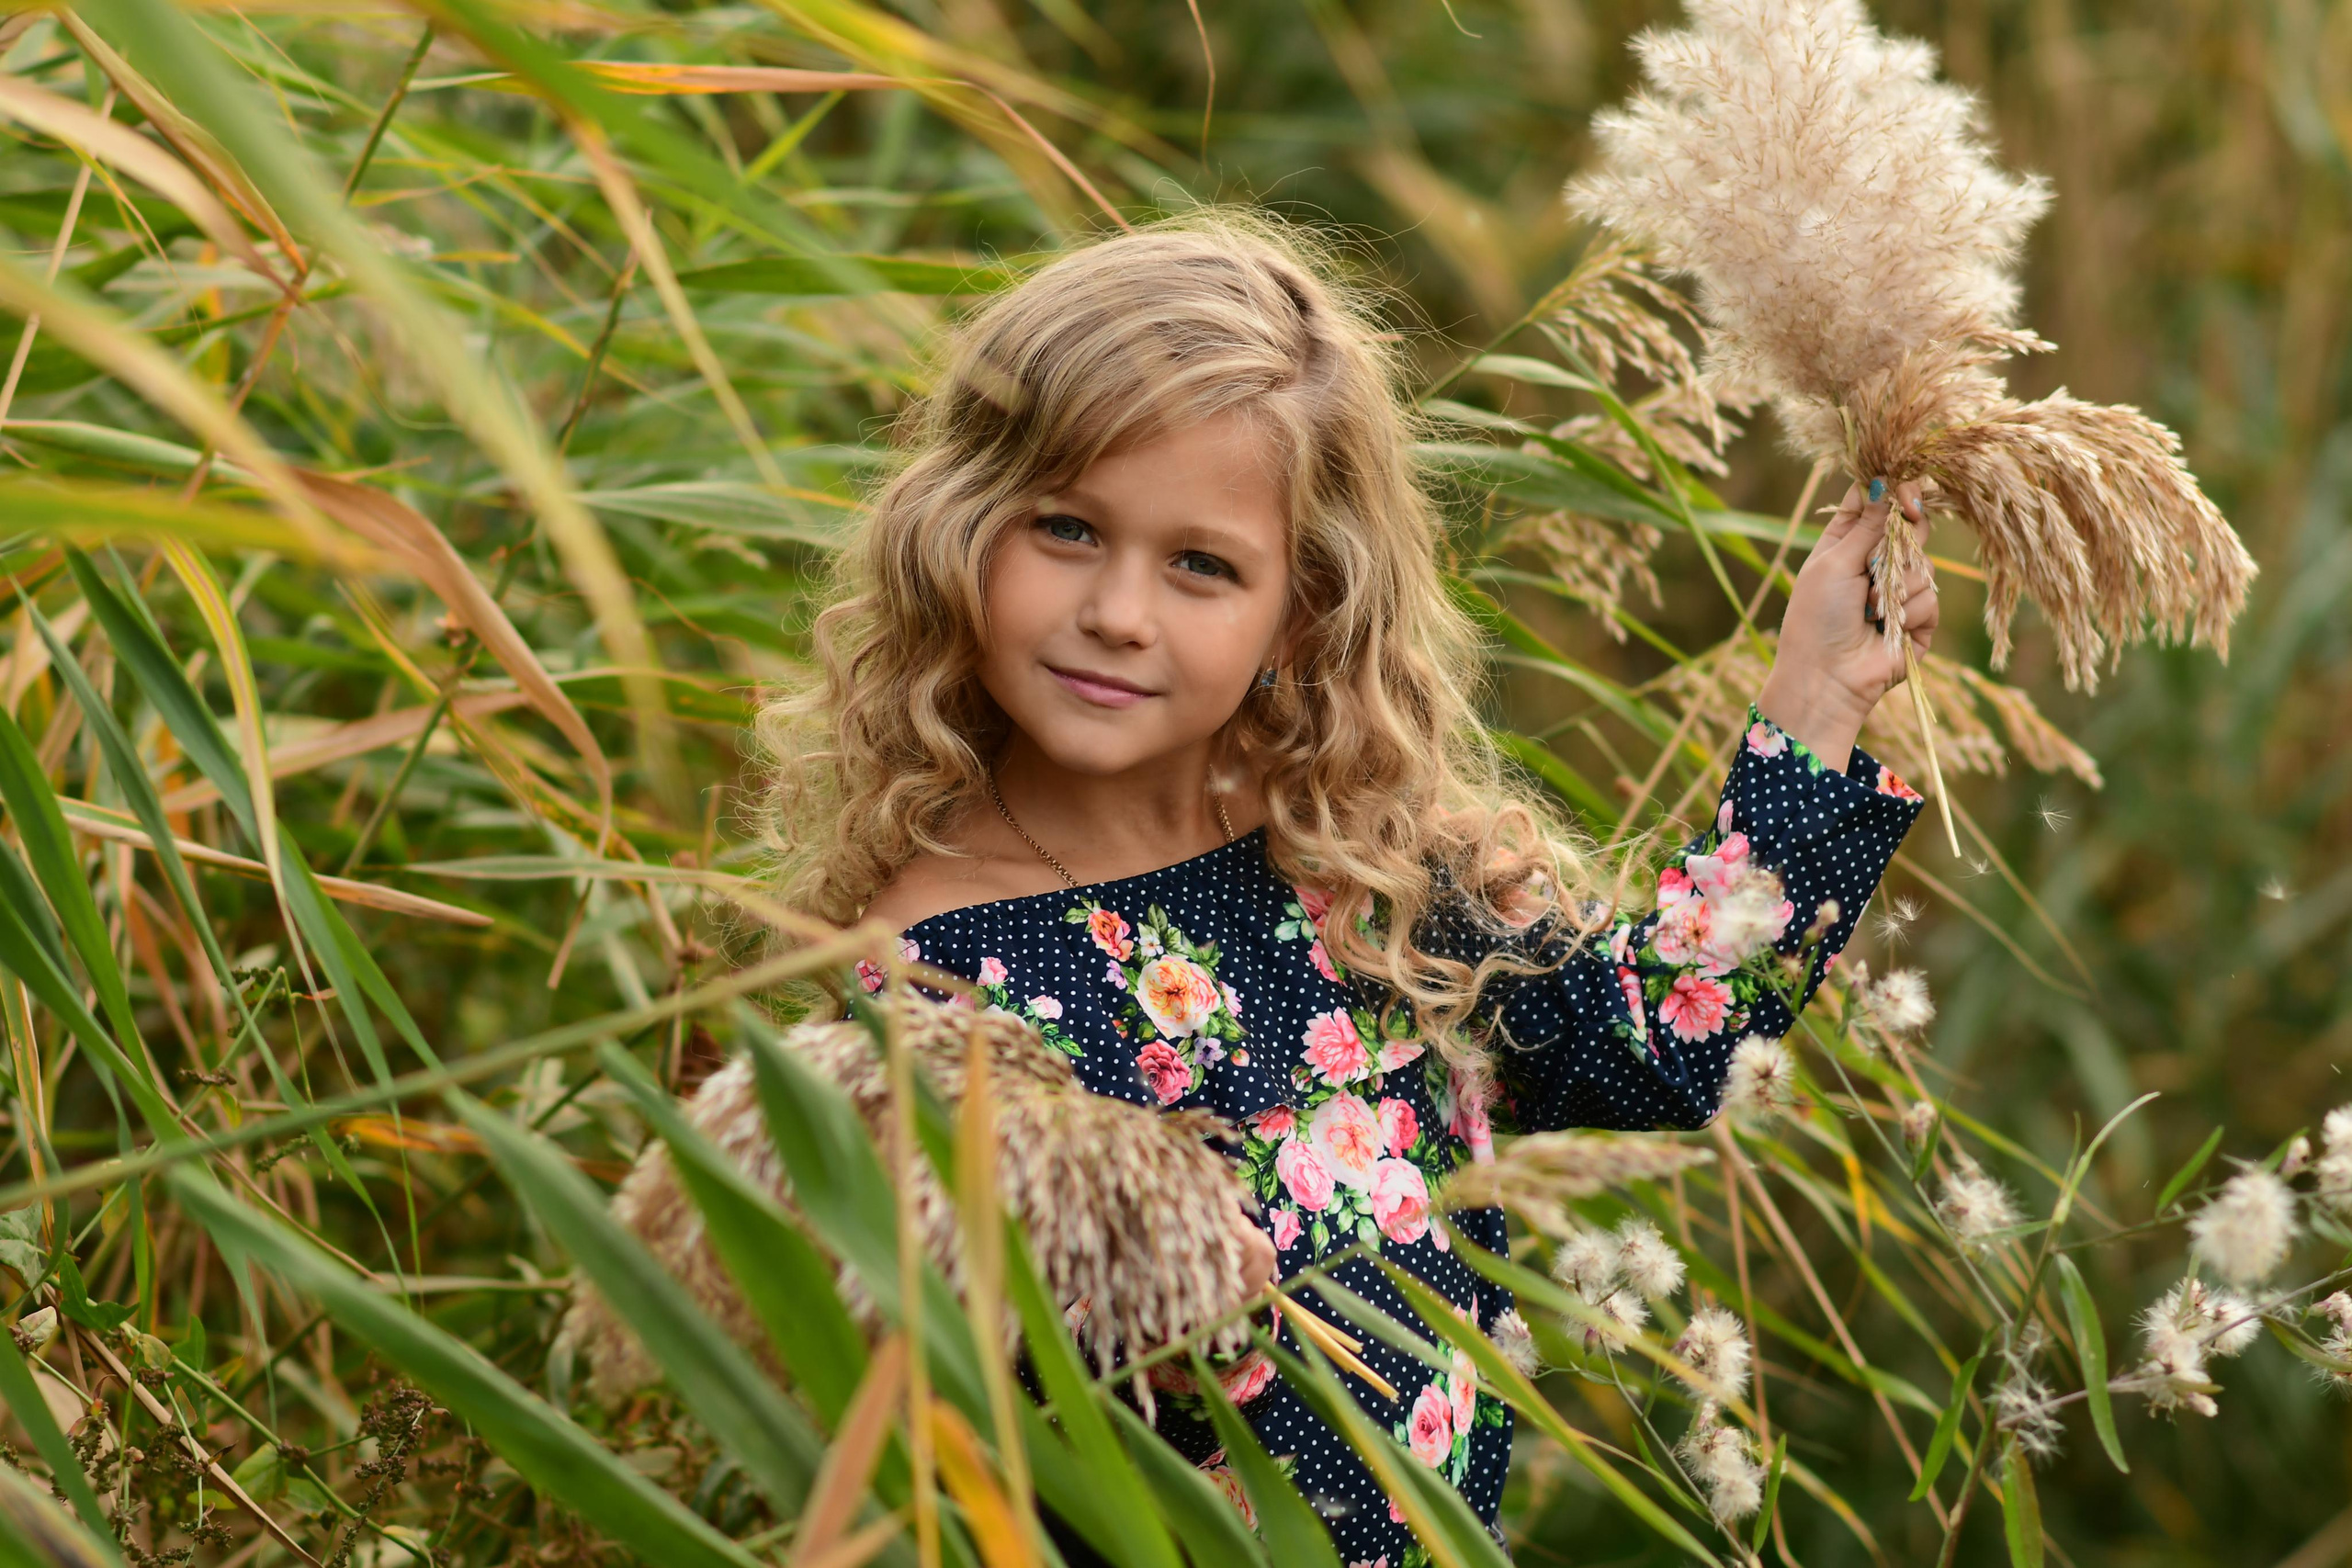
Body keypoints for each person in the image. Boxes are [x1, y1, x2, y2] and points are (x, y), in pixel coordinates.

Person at [757, 212, 1932, 1566]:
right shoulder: (933, 964)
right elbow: (954, 1424)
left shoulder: (1357, 863)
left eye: (1202, 564)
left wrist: (1816, 697)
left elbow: (1656, 1059)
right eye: (1067, 529)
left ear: (1299, 612)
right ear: (961, 532)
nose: (1120, 613)